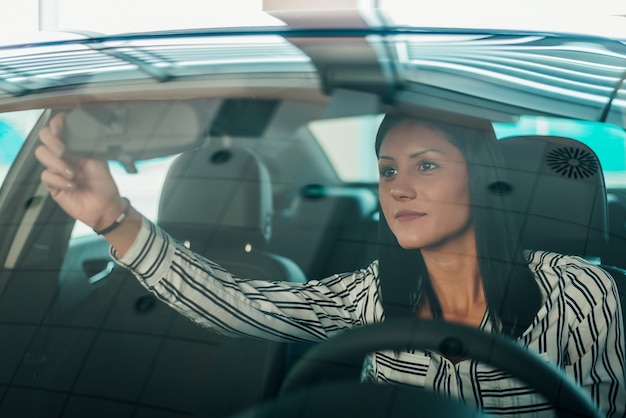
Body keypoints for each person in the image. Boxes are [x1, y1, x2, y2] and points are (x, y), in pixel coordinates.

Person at [35, 111, 625, 417]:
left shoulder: (580, 293)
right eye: (388, 170)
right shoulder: (371, 294)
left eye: (425, 166)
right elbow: (243, 306)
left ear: (485, 177)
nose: (397, 188)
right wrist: (114, 218)